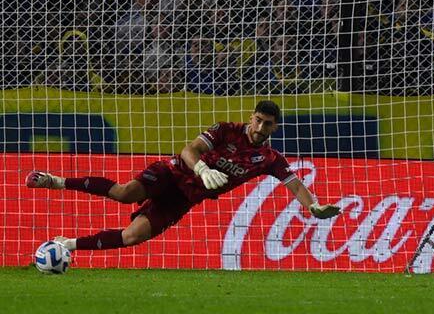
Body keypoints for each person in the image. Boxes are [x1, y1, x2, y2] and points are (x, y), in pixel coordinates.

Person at [26, 100, 341, 252]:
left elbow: (295, 183)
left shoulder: (270, 159)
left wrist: (312, 206)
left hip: (184, 198)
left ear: (275, 127)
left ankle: (67, 244)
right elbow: (190, 149)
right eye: (258, 120)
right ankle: (56, 181)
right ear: (251, 118)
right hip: (172, 173)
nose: (260, 128)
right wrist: (202, 168)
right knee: (125, 194)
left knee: (131, 237)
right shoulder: (225, 130)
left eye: (268, 124)